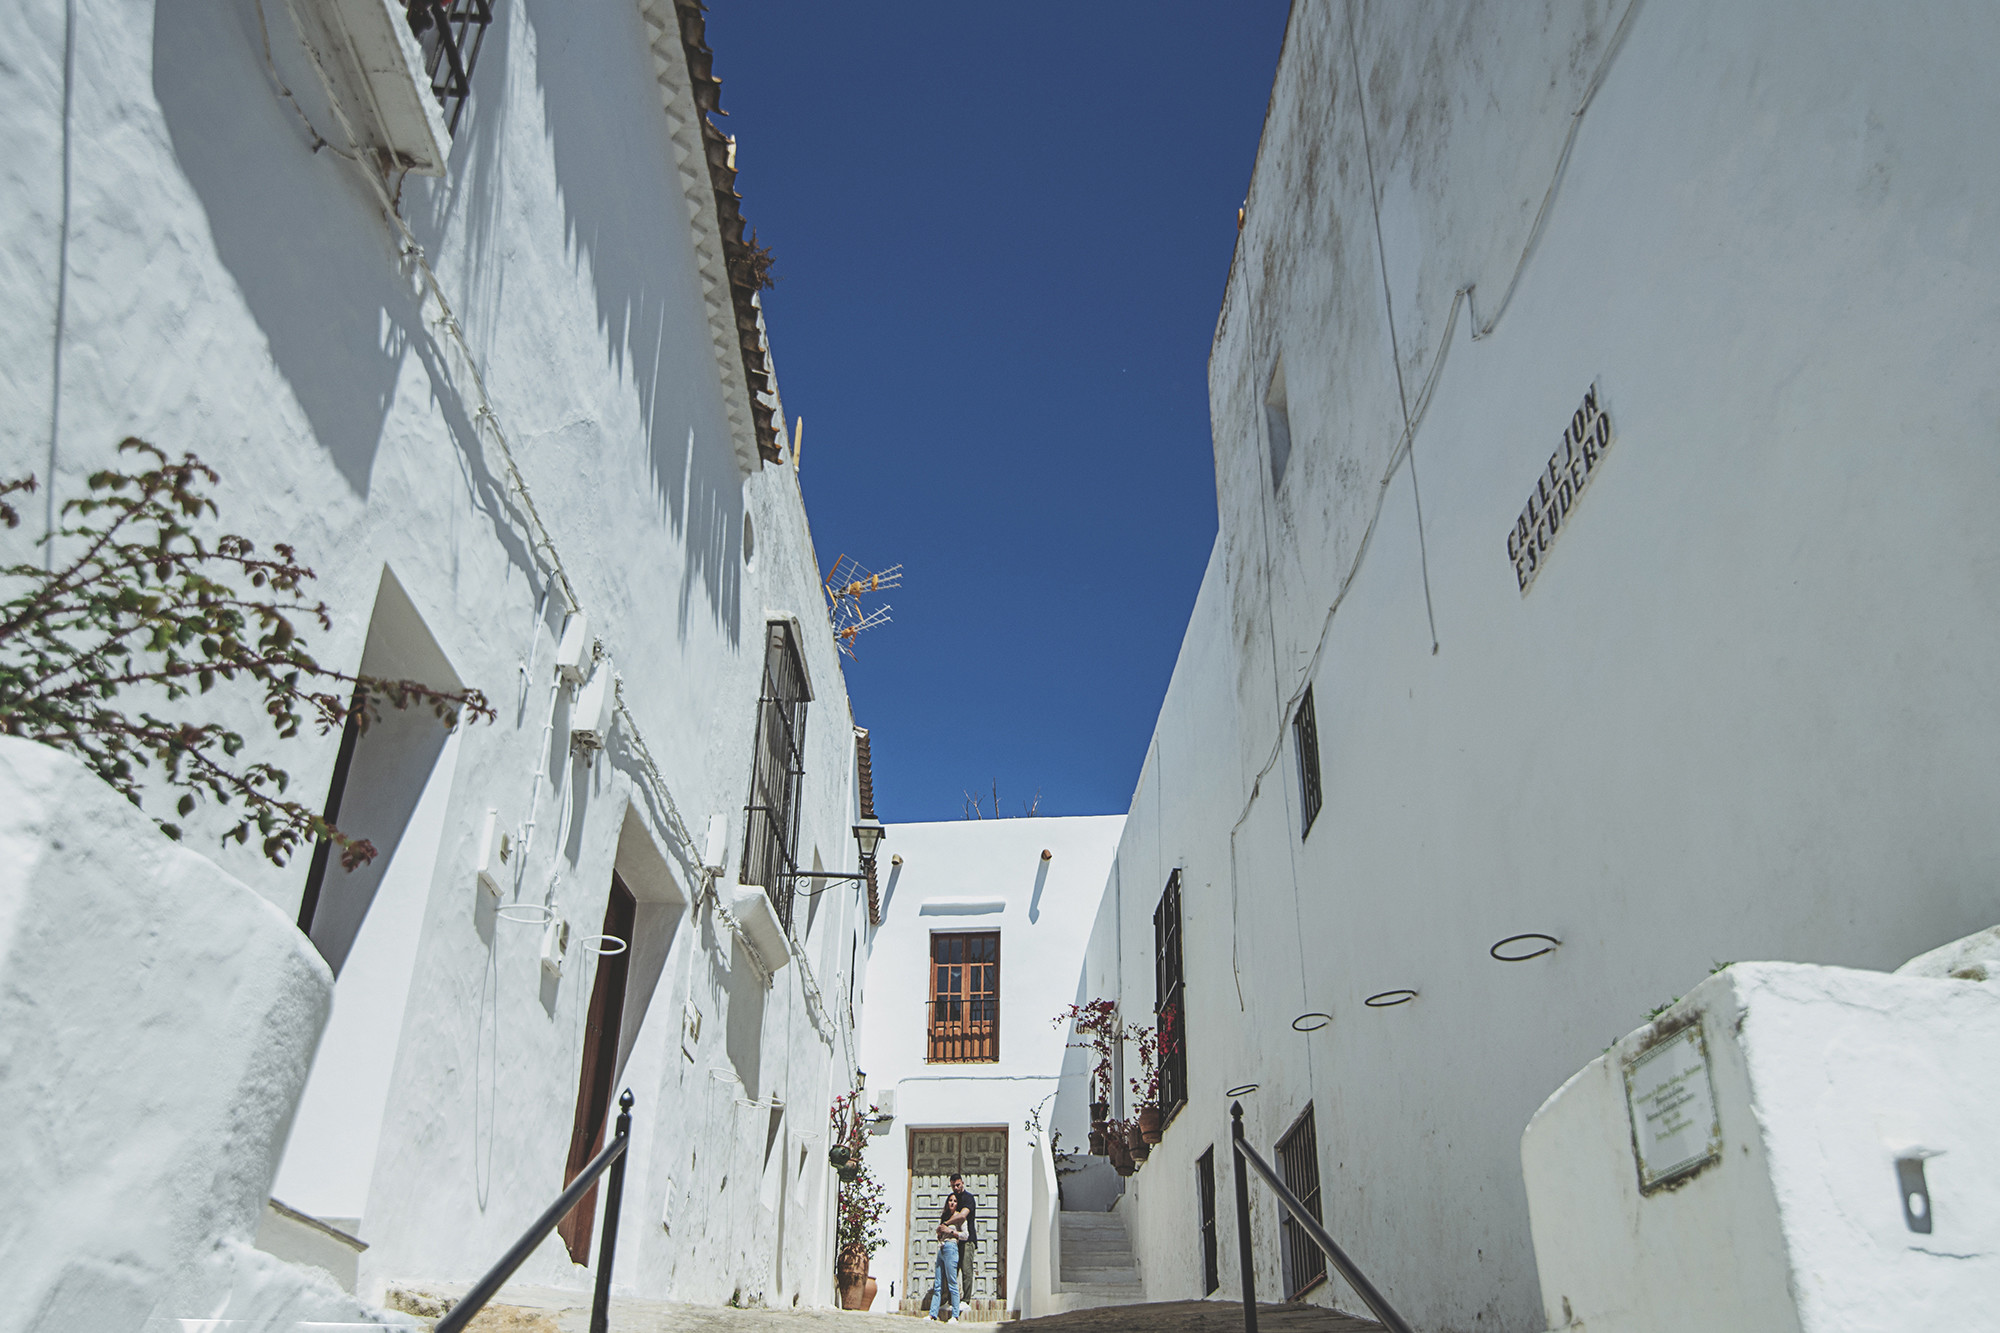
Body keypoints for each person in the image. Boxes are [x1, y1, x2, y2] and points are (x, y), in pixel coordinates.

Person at [929, 1176, 973, 1321]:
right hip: (944, 1248)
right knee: (943, 1279)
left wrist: (947, 1226)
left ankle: (964, 1301)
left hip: (962, 1243)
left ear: (962, 1183)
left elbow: (962, 1218)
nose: (956, 1188)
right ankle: (936, 1311)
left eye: (958, 1185)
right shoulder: (950, 1208)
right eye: (953, 1186)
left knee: (965, 1270)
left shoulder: (967, 1199)